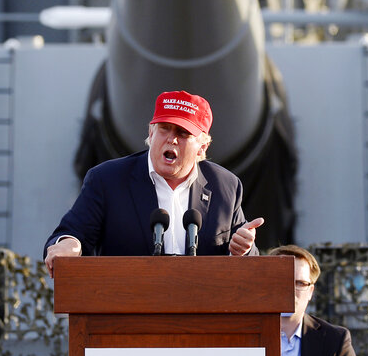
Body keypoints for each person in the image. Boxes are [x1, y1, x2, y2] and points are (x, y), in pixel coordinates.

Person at [44, 90, 263, 274]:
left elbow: (251, 263)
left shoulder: (225, 187)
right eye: (164, 128)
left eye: (183, 133)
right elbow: (71, 233)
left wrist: (243, 250)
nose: (171, 139)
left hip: (203, 317)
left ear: (202, 147)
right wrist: (69, 244)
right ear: (151, 132)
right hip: (125, 314)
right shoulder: (107, 180)